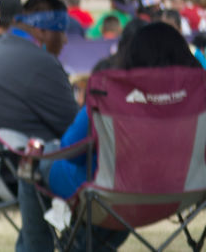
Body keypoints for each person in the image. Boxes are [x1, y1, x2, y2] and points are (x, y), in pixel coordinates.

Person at [44, 23, 201, 251]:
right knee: (110, 186)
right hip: (184, 194)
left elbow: (71, 149)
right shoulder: (200, 96)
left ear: (131, 55)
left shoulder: (111, 95)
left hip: (114, 194)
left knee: (40, 161)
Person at [0, 0, 77, 252]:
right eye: (63, 31)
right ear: (43, 30)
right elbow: (79, 134)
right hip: (21, 175)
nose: (66, 39)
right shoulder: (44, 64)